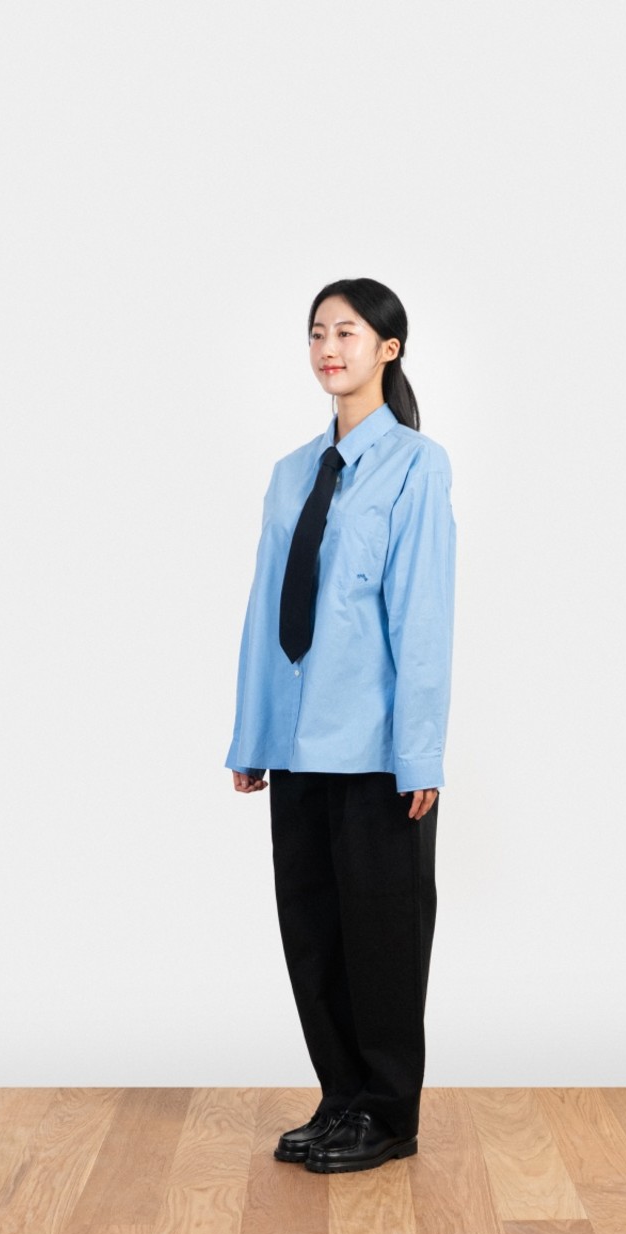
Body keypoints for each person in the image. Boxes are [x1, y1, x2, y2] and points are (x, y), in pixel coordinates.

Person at [225, 277, 456, 1174]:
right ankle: (342, 1098)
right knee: (313, 930)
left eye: (347, 332)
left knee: (383, 935)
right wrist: (253, 735)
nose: (329, 348)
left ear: (387, 348)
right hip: (296, 743)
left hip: (373, 748)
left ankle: (388, 1112)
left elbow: (422, 615)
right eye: (317, 332)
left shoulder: (416, 465)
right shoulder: (292, 472)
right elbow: (264, 612)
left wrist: (419, 752)